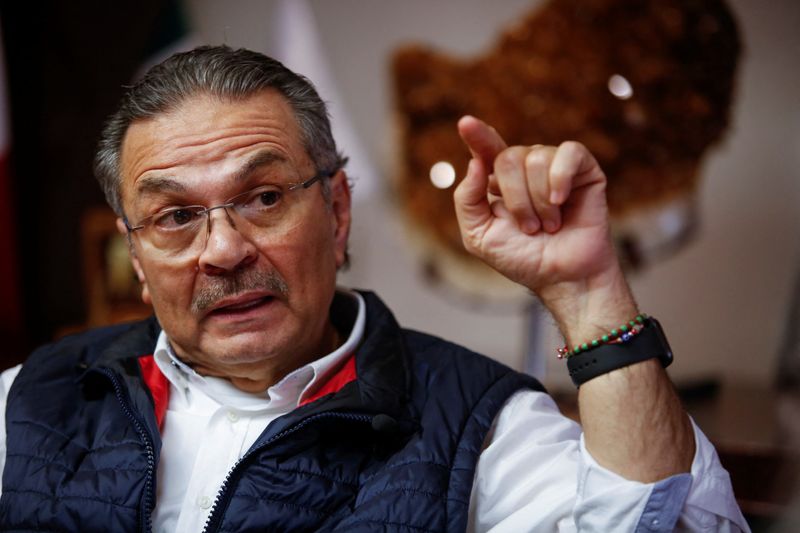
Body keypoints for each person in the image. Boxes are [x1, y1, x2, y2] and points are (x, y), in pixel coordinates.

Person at [0, 45, 748, 532]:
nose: (224, 249)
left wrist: (589, 295)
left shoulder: (478, 425)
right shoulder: (31, 399)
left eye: (263, 197)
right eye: (175, 216)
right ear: (133, 252)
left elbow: (671, 522)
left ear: (336, 209)